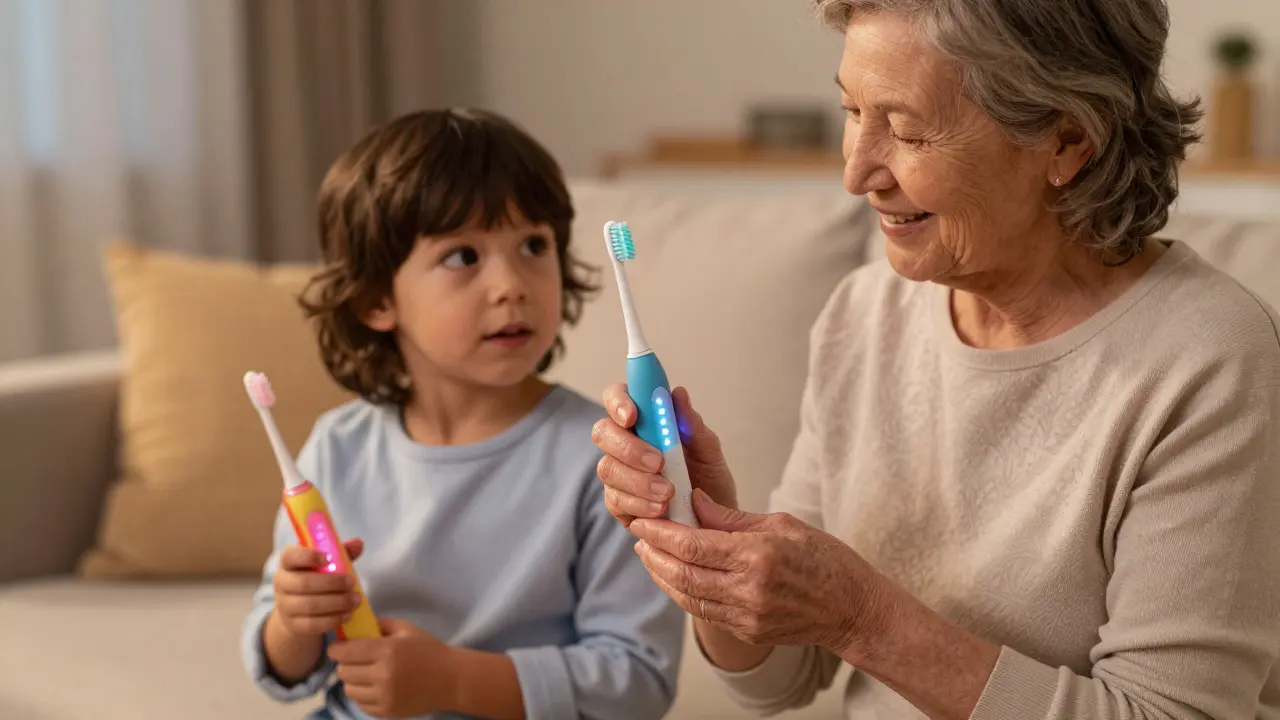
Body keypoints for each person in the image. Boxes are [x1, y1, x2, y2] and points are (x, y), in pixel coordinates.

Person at [591, 1, 1280, 718]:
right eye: (853, 112)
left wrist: (866, 619)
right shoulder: (865, 315)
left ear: (1067, 140)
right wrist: (706, 537)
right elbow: (778, 681)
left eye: (908, 130)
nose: (857, 173)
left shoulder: (1210, 360)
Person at [240, 108, 684, 720]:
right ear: (376, 302)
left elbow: (637, 680)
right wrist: (293, 622)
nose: (511, 284)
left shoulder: (610, 459)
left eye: (533, 245)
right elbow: (287, 669)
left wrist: (454, 682)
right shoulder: (334, 449)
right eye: (462, 257)